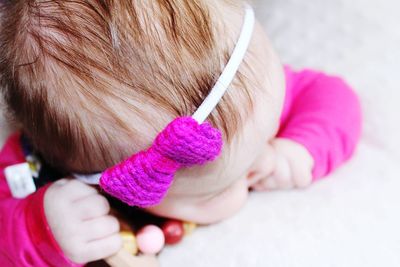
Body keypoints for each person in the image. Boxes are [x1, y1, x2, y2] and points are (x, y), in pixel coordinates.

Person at [0, 0, 361, 266]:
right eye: (218, 190)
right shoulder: (31, 172)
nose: (256, 168)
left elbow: (332, 95)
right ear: (95, 181)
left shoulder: (245, 92)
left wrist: (300, 148)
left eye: (266, 135)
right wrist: (39, 231)